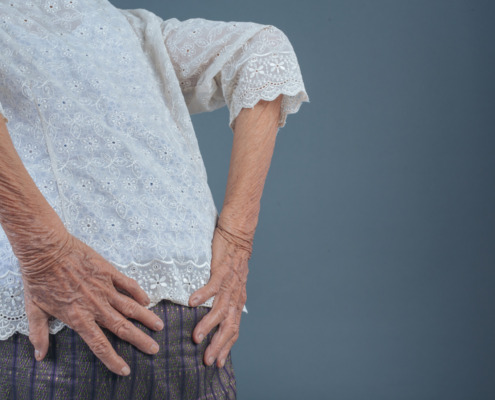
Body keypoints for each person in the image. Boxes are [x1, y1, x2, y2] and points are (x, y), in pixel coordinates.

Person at [0, 0, 308, 398]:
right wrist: (45, 251)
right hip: (65, 331)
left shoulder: (136, 32)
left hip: (197, 345)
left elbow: (265, 50)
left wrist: (237, 237)